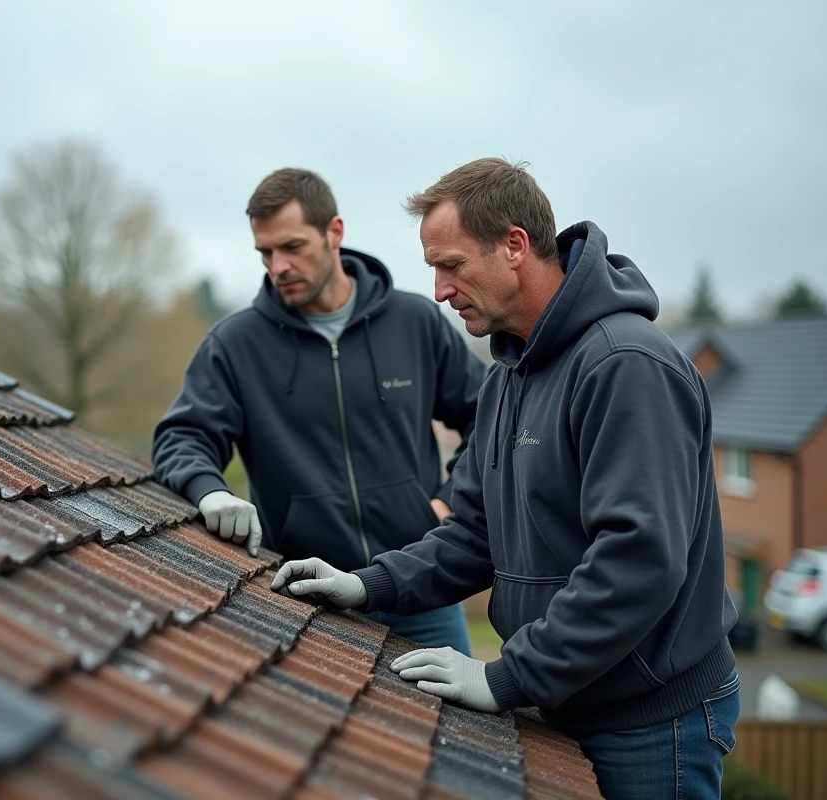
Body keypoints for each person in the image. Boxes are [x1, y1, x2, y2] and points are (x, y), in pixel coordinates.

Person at [272, 158, 740, 799]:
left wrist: (507, 677)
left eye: (452, 265)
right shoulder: (507, 375)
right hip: (571, 700)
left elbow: (639, 560)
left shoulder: (624, 365)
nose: (438, 290)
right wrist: (365, 584)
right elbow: (473, 534)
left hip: (651, 721)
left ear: (514, 246)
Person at [153, 167, 486, 654]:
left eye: (292, 247)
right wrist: (209, 493)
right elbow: (183, 437)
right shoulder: (236, 344)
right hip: (307, 598)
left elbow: (490, 420)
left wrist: (444, 502)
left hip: (421, 592)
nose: (277, 265)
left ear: (334, 232)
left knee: (454, 730)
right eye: (265, 252)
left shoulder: (416, 322)